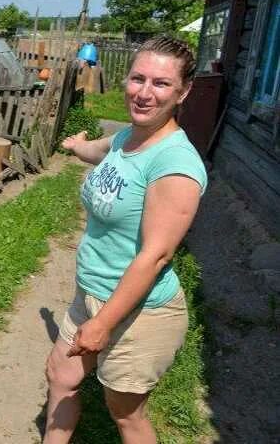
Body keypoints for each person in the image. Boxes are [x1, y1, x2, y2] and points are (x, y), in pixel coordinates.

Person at [44, 36, 207, 444]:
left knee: (126, 414)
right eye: (138, 78)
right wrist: (76, 146)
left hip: (139, 313)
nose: (144, 93)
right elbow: (101, 152)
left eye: (161, 84)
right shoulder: (126, 139)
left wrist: (102, 323)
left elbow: (155, 256)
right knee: (60, 377)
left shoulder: (175, 164)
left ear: (183, 91)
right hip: (92, 293)